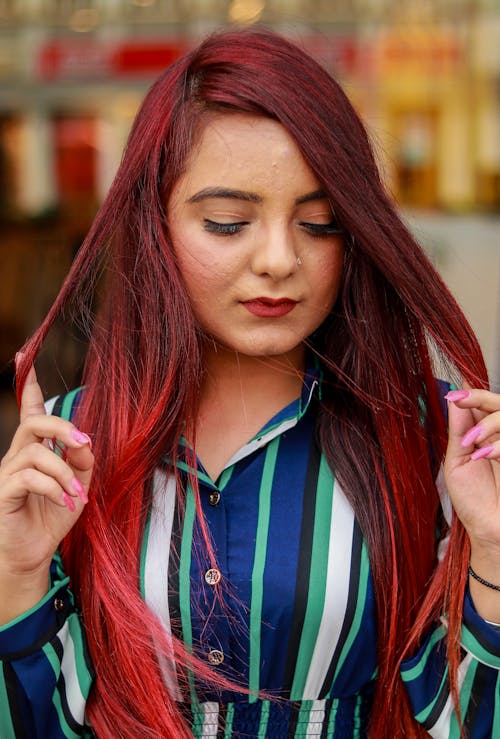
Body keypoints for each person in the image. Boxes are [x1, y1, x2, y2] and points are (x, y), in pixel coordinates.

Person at [0, 27, 499, 739]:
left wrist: (495, 553)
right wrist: (15, 574)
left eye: (320, 223)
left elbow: (465, 718)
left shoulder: (428, 446)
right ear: (157, 226)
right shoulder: (66, 445)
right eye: (228, 222)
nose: (278, 258)